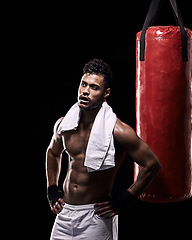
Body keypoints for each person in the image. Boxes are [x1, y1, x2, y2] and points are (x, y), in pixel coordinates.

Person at [46, 58, 162, 240]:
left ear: (106, 92)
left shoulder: (118, 131)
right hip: (64, 213)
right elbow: (53, 152)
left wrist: (125, 199)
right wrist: (52, 188)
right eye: (83, 84)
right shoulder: (64, 125)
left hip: (96, 216)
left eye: (94, 87)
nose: (85, 91)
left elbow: (152, 164)